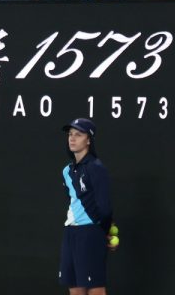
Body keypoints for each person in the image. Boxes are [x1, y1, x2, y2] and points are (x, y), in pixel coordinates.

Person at [59, 118, 115, 295]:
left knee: (95, 289)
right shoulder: (66, 171)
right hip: (70, 233)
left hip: (90, 233)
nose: (72, 138)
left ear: (89, 140)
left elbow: (104, 208)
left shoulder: (96, 168)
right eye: (70, 134)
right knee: (74, 288)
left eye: (78, 134)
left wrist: (104, 232)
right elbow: (74, 201)